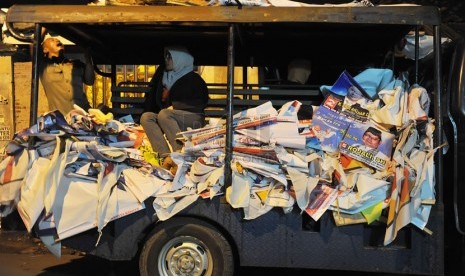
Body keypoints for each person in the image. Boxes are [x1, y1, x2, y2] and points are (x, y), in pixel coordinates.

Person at [140, 46, 209, 162]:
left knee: (164, 114)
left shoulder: (194, 79)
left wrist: (174, 102)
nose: (166, 60)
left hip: (192, 118)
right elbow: (158, 101)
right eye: (166, 56)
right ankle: (166, 157)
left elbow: (201, 102)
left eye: (170, 57)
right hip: (170, 120)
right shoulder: (166, 77)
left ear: (180, 59)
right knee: (146, 117)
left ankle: (181, 154)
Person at [39, 36, 94, 115]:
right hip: (62, 119)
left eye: (58, 40)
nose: (57, 40)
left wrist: (88, 60)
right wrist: (44, 25)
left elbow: (90, 81)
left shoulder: (76, 64)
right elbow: (34, 44)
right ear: (45, 49)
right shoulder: (43, 66)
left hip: (84, 116)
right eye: (52, 40)